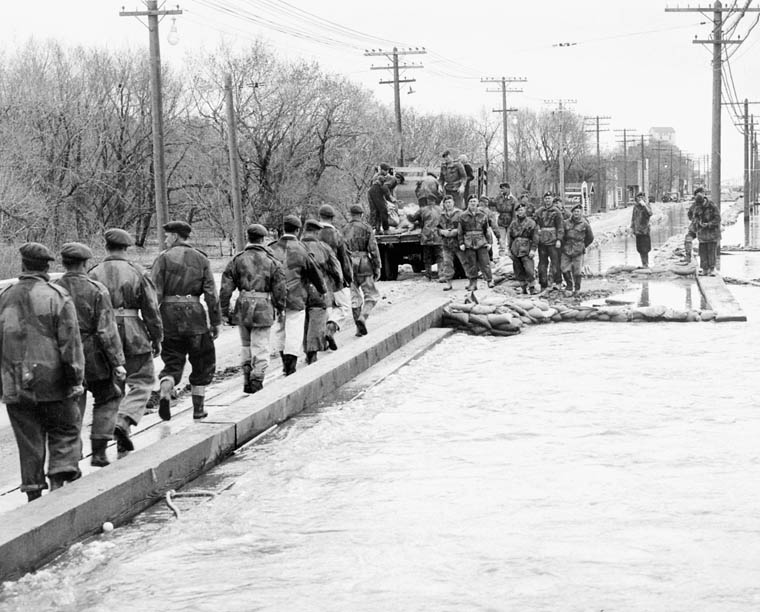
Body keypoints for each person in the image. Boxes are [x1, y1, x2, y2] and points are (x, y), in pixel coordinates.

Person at [0, 243, 85, 500]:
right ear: (47, 267)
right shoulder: (57, 296)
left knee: (28, 441)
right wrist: (75, 380)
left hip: (14, 382)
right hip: (53, 380)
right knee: (65, 430)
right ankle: (58, 481)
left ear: (23, 265)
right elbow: (70, 344)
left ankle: (33, 493)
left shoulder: (4, 297)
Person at [89, 228, 162, 455]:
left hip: (103, 335)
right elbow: (151, 309)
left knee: (114, 387)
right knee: (142, 382)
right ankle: (125, 420)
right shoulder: (137, 272)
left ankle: (121, 434)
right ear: (127, 248)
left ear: (106, 246)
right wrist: (157, 337)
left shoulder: (92, 273)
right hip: (133, 333)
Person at [55, 242, 126, 468]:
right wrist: (118, 363)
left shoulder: (54, 288)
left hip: (63, 354)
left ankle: (73, 456)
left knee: (72, 405)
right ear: (85, 263)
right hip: (93, 353)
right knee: (108, 397)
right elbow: (106, 329)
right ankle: (99, 451)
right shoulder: (96, 289)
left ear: (63, 263)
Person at [151, 221, 221, 421]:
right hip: (195, 318)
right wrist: (215, 321)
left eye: (167, 236)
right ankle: (198, 409)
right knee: (202, 362)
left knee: (172, 362)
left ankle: (165, 391)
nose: (165, 240)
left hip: (169, 317)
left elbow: (153, 294)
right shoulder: (201, 259)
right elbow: (211, 294)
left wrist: (154, 324)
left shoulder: (162, 259)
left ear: (175, 236)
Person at [220, 224, 286, 394]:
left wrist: (224, 312)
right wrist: (281, 308)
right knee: (261, 345)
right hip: (263, 308)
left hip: (242, 306)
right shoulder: (272, 261)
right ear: (263, 239)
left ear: (248, 238)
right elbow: (279, 289)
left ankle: (246, 378)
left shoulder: (237, 260)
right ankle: (257, 379)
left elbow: (226, 289)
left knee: (245, 345)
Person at [269, 215, 327, 376]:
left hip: (275, 297)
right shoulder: (302, 249)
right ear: (297, 229)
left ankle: (283, 362)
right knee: (294, 330)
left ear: (283, 227)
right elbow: (314, 272)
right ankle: (290, 366)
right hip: (296, 296)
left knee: (279, 328)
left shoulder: (271, 248)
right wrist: (322, 290)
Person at [301, 219, 343, 363]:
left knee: (304, 320)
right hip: (319, 289)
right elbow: (336, 268)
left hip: (299, 290)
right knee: (318, 319)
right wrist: (338, 283)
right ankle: (312, 354)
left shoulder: (296, 247)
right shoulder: (324, 248)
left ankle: (306, 350)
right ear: (317, 232)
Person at [342, 204, 381, 335]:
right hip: (364, 263)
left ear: (350, 214)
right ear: (362, 214)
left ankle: (358, 329)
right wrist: (377, 266)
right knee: (372, 295)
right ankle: (363, 317)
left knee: (354, 297)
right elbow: (373, 249)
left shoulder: (343, 230)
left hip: (349, 265)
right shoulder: (367, 228)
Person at [317, 204, 353, 351]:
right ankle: (331, 328)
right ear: (332, 218)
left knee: (322, 308)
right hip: (334, 278)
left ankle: (319, 343)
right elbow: (343, 258)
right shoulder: (336, 235)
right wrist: (348, 278)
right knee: (343, 307)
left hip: (315, 278)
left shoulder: (311, 233)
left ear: (319, 216)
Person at [458, 194, 493, 290]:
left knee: (485, 262)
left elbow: (487, 230)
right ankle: (473, 282)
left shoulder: (483, 215)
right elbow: (460, 231)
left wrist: (489, 242)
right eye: (471, 201)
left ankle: (489, 280)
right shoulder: (463, 216)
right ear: (468, 203)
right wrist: (461, 243)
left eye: (474, 201)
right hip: (468, 242)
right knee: (471, 263)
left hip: (481, 241)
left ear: (477, 203)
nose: (473, 203)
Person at [406, 195, 443, 280]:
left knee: (427, 256)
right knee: (440, 256)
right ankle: (441, 274)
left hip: (427, 236)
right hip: (438, 235)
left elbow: (412, 219)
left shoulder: (422, 210)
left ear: (427, 200)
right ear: (435, 200)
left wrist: (407, 215)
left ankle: (428, 275)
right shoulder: (440, 209)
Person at [561, 203, 595, 295]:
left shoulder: (585, 224)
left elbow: (590, 237)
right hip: (566, 249)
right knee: (564, 268)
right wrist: (563, 245)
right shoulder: (565, 223)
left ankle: (577, 288)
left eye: (578, 212)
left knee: (577, 271)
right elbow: (562, 235)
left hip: (578, 250)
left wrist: (583, 245)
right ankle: (569, 286)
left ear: (581, 213)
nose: (576, 213)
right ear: (572, 212)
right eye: (575, 211)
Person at [507, 202, 539, 294]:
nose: (521, 212)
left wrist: (533, 249)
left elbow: (535, 237)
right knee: (518, 269)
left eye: (522, 210)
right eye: (518, 211)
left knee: (529, 269)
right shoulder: (513, 224)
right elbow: (510, 237)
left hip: (526, 248)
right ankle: (523, 287)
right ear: (516, 213)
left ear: (525, 211)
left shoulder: (531, 223)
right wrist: (509, 250)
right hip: (515, 249)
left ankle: (532, 287)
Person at [535, 191, 565, 290]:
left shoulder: (557, 212)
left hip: (553, 241)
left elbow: (560, 227)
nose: (547, 200)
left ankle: (558, 282)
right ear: (544, 200)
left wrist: (559, 240)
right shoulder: (539, 211)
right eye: (546, 198)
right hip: (542, 241)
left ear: (552, 199)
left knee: (555, 262)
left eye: (549, 198)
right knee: (542, 264)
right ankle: (543, 284)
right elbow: (533, 222)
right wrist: (537, 230)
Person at [437, 195, 466, 291]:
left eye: (450, 202)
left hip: (458, 242)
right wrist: (441, 232)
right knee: (447, 263)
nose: (448, 204)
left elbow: (464, 226)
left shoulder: (460, 214)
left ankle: (472, 282)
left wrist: (455, 231)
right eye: (446, 203)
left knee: (465, 262)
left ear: (453, 203)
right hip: (446, 244)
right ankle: (448, 283)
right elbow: (437, 228)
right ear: (444, 204)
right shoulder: (441, 215)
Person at [692, 193, 721, 276]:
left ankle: (712, 269)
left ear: (704, 200)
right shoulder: (697, 207)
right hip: (702, 233)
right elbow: (694, 218)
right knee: (703, 251)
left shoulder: (712, 206)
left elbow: (718, 219)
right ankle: (705, 269)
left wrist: (709, 224)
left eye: (700, 204)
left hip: (712, 233)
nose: (699, 205)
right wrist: (699, 223)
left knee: (711, 251)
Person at [367, 163, 396, 234]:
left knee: (377, 212)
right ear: (382, 169)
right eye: (386, 170)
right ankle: (385, 229)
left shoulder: (381, 176)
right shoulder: (378, 177)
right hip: (375, 193)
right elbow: (383, 188)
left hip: (375, 193)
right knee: (382, 210)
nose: (387, 172)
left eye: (388, 170)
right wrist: (391, 198)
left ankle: (377, 229)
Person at [631, 192, 653, 268]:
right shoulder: (635, 207)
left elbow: (650, 213)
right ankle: (643, 263)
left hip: (645, 231)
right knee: (640, 248)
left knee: (646, 248)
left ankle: (646, 264)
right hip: (638, 231)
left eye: (642, 197)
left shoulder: (646, 205)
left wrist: (644, 206)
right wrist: (632, 228)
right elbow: (633, 218)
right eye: (638, 198)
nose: (640, 199)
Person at [494, 182, 517, 254]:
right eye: (501, 189)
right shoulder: (499, 198)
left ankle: (510, 252)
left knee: (510, 239)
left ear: (508, 189)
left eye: (503, 189)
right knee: (501, 238)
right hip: (501, 221)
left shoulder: (513, 199)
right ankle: (501, 252)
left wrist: (514, 223)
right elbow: (495, 205)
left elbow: (514, 212)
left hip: (510, 221)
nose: (502, 190)